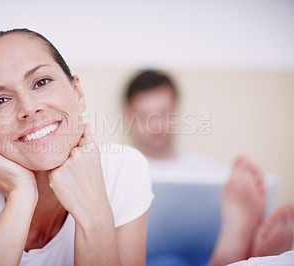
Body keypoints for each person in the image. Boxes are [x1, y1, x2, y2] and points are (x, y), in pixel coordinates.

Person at [0, 29, 153, 265]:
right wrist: (21, 194)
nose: (28, 108)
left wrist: (94, 216)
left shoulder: (124, 169)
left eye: (41, 82)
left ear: (78, 93)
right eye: (0, 101)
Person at [124, 70, 294, 265]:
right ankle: (234, 253)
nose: (156, 125)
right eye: (145, 116)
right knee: (166, 261)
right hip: (148, 258)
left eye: (164, 114)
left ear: (176, 110)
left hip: (207, 252)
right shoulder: (120, 170)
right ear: (129, 116)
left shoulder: (215, 174)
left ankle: (237, 251)